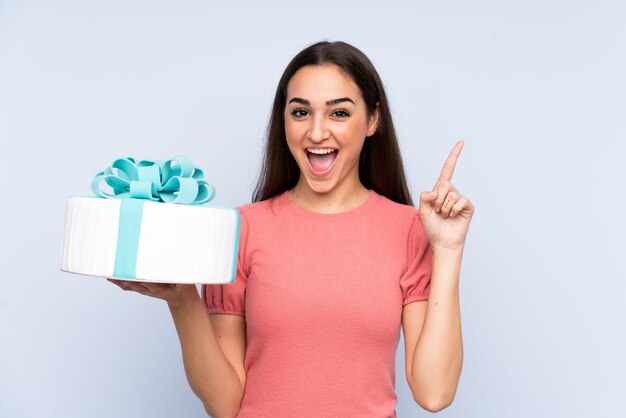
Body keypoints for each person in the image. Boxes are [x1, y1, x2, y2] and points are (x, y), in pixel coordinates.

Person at [110, 40, 474, 417]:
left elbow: (435, 393)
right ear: (283, 119)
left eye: (339, 113)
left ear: (372, 120)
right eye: (301, 112)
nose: (317, 133)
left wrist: (447, 251)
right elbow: (224, 404)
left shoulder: (409, 230)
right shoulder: (240, 230)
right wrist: (183, 299)